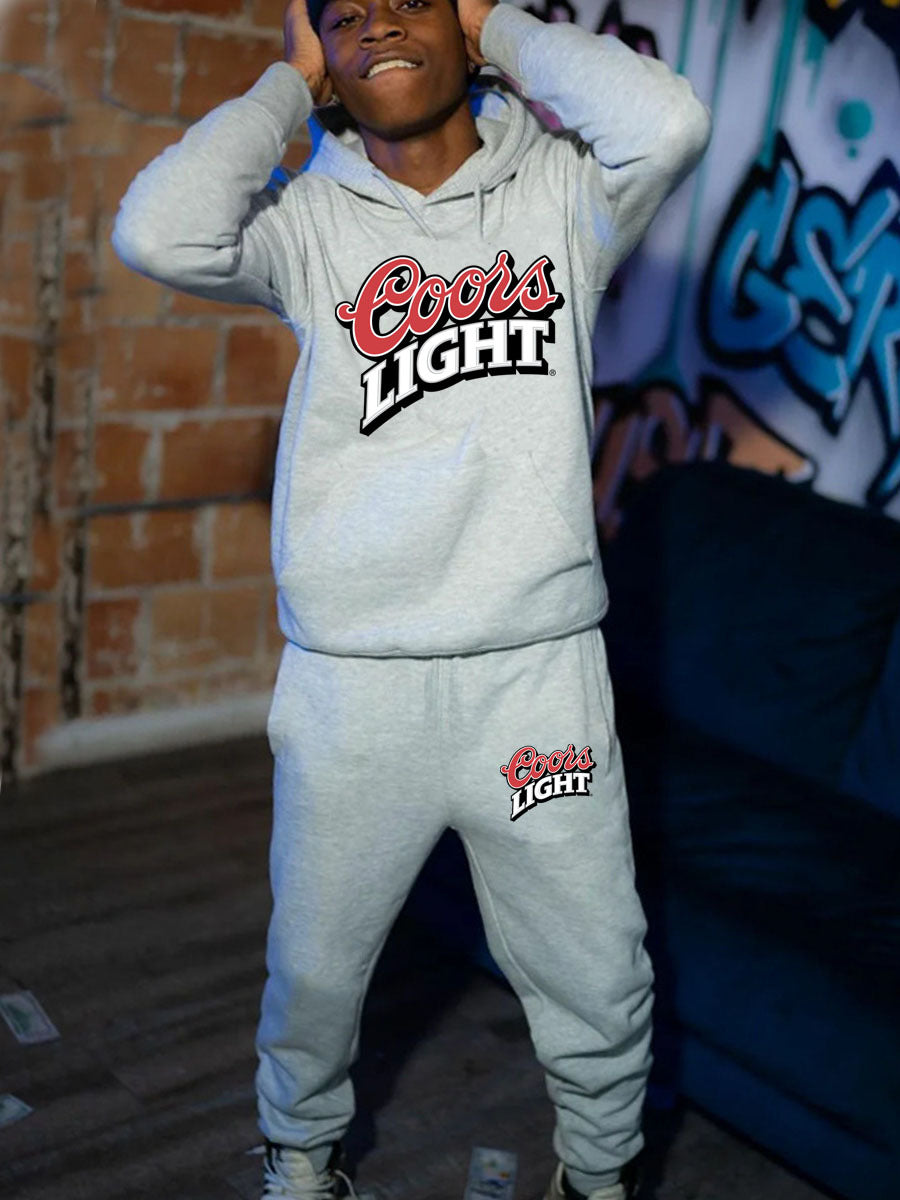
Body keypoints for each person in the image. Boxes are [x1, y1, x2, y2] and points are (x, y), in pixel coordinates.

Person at [111, 0, 711, 1196]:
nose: (376, 20)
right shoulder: (306, 223)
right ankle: (301, 1161)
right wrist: (287, 86)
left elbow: (670, 122)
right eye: (344, 14)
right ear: (324, 55)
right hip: (355, 684)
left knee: (596, 971)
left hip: (536, 674)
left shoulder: (566, 198)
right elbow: (157, 230)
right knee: (316, 971)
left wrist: (502, 27)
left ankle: (597, 1179)